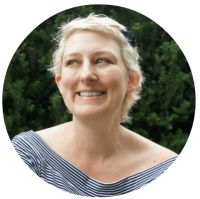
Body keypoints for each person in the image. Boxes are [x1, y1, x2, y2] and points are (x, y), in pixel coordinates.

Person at [12, 14, 177, 197]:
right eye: (73, 62)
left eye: (102, 60)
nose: (86, 75)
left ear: (131, 79)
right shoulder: (26, 155)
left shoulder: (167, 172)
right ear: (60, 82)